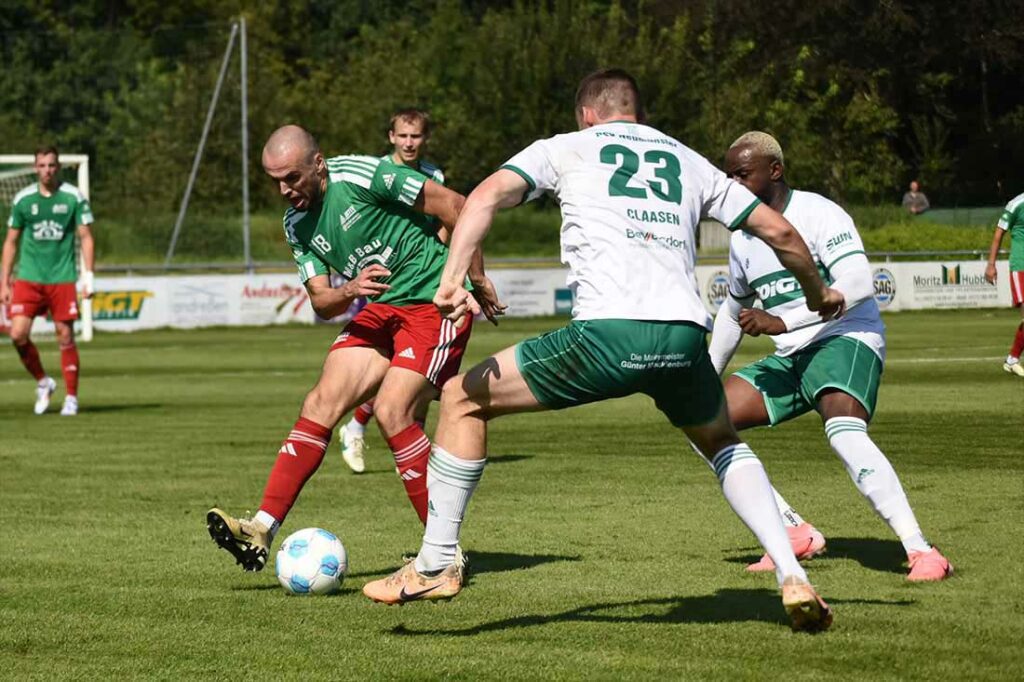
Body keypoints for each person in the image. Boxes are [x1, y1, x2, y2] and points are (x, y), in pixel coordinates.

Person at [362, 70, 844, 633]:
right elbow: (780, 232)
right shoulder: (688, 159)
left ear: (586, 114)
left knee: (461, 399)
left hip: (607, 335)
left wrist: (451, 280)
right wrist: (818, 293)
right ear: (635, 110)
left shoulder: (567, 148)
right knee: (720, 442)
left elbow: (486, 195)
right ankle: (792, 575)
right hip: (685, 336)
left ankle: (435, 563)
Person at [206, 125, 504, 572]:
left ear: (318, 164)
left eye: (292, 178)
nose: (285, 191)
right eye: (276, 182)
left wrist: (473, 279)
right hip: (382, 311)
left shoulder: (363, 175)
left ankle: (442, 554)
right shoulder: (297, 224)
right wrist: (351, 291)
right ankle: (263, 527)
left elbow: (457, 206)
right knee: (320, 401)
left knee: (392, 410)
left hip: (432, 304)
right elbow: (322, 302)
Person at [708, 131, 952, 581]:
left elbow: (858, 285)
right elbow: (734, 308)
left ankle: (921, 550)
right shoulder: (743, 236)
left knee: (842, 430)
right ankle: (793, 532)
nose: (732, 183)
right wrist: (704, 376)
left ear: (774, 171)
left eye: (742, 174)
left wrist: (783, 322)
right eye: (728, 175)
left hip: (845, 337)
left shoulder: (818, 212)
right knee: (702, 419)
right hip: (792, 356)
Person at [339, 108, 447, 473]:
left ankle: (411, 444)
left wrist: (441, 265)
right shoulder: (375, 173)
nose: (409, 142)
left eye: (415, 136)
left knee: (424, 374)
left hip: (425, 286)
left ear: (425, 139)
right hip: (387, 289)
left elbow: (444, 221)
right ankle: (357, 427)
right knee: (392, 370)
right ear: (391, 137)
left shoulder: (434, 175)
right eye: (403, 135)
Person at [0, 145, 94, 416]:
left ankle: (72, 398)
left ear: (59, 167)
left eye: (51, 165)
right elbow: (11, 242)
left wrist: (89, 278)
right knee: (17, 334)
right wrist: (4, 282)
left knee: (65, 335)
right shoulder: (24, 200)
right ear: (35, 168)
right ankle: (44, 382)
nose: (47, 171)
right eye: (42, 165)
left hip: (62, 278)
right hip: (29, 278)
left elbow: (86, 237)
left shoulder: (74, 197)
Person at [984, 191, 1024, 377]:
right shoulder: (1016, 204)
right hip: (1020, 267)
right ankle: (1012, 359)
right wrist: (991, 265)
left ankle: (1012, 359)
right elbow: (999, 234)